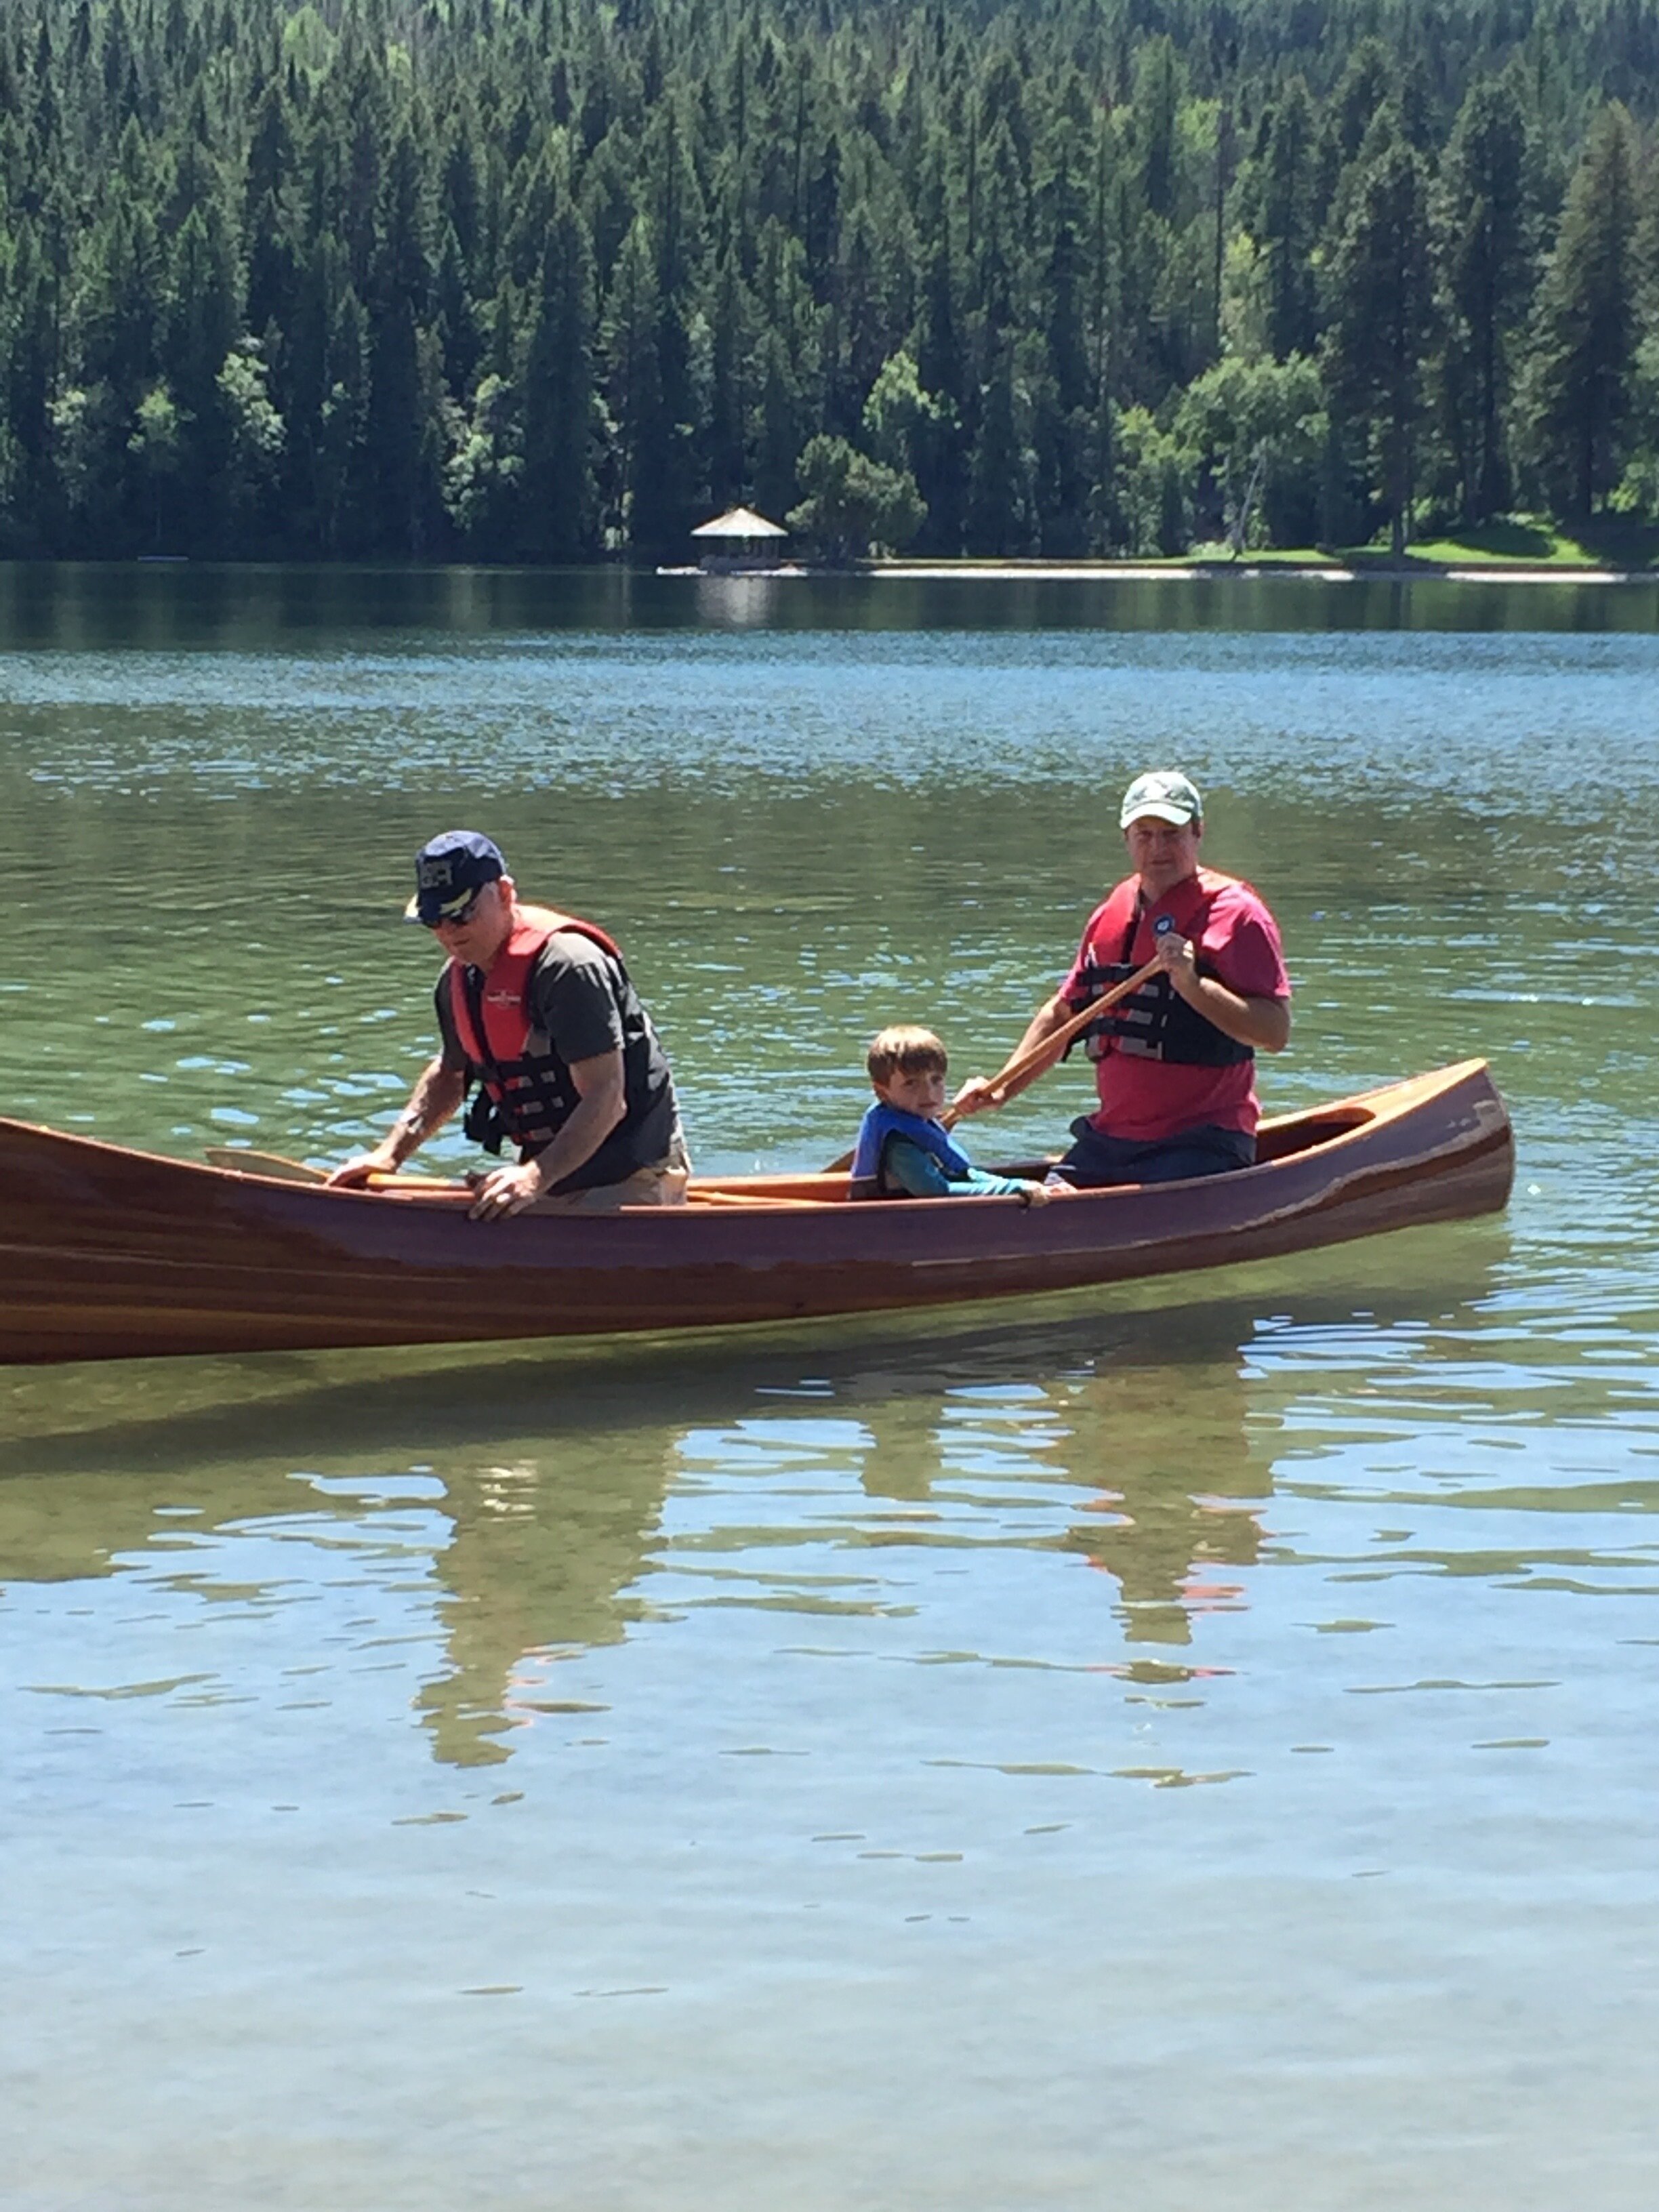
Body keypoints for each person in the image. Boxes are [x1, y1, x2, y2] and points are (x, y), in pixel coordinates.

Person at [954, 771, 1290, 1185]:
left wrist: (1192, 984)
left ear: (1198, 832)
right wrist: (1001, 1089)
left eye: (1171, 833)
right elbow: (1062, 1015)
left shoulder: (1238, 914)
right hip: (1110, 1141)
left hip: (1202, 1141)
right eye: (1144, 834)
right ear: (1126, 838)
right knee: (1047, 1206)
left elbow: (1274, 1032)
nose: (1157, 847)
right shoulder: (1110, 915)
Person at [329, 831, 689, 1218]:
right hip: (551, 1170)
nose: (448, 932)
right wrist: (389, 1155)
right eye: (433, 919)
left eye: (461, 912)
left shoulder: (569, 968)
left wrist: (534, 1177)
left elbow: (607, 1095)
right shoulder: (458, 981)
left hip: (629, 1171)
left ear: (503, 893)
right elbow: (451, 1073)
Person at [849, 1026, 1056, 1204]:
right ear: (882, 1092)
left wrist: (1020, 1185)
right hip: (896, 1224)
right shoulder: (899, 1144)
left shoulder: (919, 1123)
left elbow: (965, 1174)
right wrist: (1012, 1190)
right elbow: (937, 1191)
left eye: (936, 1080)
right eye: (911, 1084)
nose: (928, 1093)